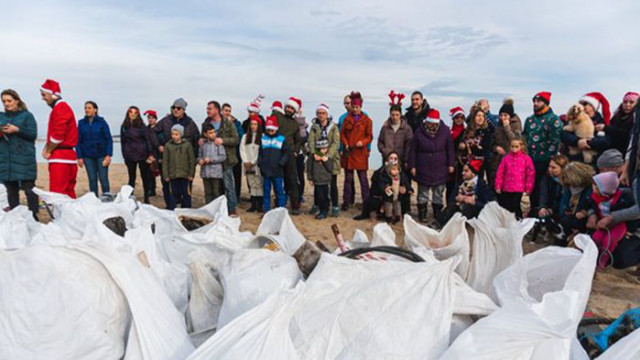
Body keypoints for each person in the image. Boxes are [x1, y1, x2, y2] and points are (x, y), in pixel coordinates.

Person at [408, 109, 455, 222]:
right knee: (423, 192)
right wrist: (412, 166)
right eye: (430, 123)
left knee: (438, 193)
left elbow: (450, 149)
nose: (432, 125)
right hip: (423, 166)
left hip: (441, 167)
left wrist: (451, 164)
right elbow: (413, 150)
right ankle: (422, 214)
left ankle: (437, 214)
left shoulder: (445, 131)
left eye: (434, 123)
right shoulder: (419, 131)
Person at [0, 89, 39, 219]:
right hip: (7, 160)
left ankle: (34, 216)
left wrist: (17, 130)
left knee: (29, 190)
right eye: (4, 101)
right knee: (11, 191)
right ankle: (15, 218)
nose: (6, 103)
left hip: (24, 159)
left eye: (9, 101)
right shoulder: (1, 116)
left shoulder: (27, 116)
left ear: (17, 100)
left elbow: (32, 135)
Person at [154, 98, 200, 208]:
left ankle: (185, 209)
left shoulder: (190, 122)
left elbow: (197, 139)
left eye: (178, 108)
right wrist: (158, 146)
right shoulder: (166, 120)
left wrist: (194, 159)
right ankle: (170, 207)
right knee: (168, 187)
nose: (175, 110)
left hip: (184, 163)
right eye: (173, 107)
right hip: (169, 160)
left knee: (186, 189)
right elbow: (153, 132)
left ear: (183, 109)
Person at [585, 172, 634, 268]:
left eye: (594, 188)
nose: (592, 190)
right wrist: (592, 215)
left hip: (618, 224)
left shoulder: (622, 198)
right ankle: (592, 260)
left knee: (609, 240)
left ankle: (603, 262)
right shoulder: (594, 198)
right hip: (602, 224)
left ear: (604, 190)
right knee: (596, 238)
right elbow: (589, 206)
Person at [40, 79, 78, 198]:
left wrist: (48, 150)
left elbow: (57, 136)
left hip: (61, 158)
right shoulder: (63, 107)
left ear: (52, 94)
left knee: (58, 194)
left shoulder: (60, 108)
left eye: (44, 94)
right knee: (69, 192)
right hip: (69, 156)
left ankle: (60, 217)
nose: (43, 98)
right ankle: (70, 216)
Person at [523, 91, 562, 209]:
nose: (535, 103)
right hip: (530, 161)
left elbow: (555, 140)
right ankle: (533, 212)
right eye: (534, 101)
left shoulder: (553, 119)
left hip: (545, 161)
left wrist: (548, 159)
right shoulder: (529, 120)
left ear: (546, 103)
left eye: (538, 101)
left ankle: (544, 212)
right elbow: (524, 138)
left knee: (544, 189)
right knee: (531, 188)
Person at [201, 100, 239, 215]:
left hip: (226, 159)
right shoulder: (205, 123)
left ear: (216, 110)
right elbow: (203, 135)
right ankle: (215, 209)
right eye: (207, 108)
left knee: (228, 186)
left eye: (209, 109)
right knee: (215, 188)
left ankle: (231, 209)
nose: (207, 111)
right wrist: (201, 139)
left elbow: (236, 139)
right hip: (211, 162)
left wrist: (223, 140)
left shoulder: (227, 123)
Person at [340, 91, 373, 211]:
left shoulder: (367, 120)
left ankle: (366, 202)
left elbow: (369, 136)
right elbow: (342, 134)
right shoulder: (346, 119)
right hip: (349, 153)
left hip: (361, 153)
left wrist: (363, 143)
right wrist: (346, 143)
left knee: (363, 179)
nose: (355, 109)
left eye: (357, 107)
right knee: (348, 180)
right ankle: (346, 202)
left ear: (361, 106)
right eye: (353, 107)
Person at [437, 159, 495, 226]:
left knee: (467, 207)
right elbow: (451, 199)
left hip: (474, 213)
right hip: (459, 209)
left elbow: (490, 204)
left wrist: (474, 202)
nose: (463, 173)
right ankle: (439, 223)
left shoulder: (481, 185)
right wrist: (457, 198)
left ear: (473, 173)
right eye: (463, 171)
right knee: (452, 207)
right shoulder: (461, 183)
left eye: (466, 171)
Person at [308, 103, 340, 217]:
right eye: (319, 113)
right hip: (317, 158)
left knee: (332, 183)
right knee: (318, 185)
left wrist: (328, 155)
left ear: (327, 114)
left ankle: (335, 206)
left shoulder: (333, 127)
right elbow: (311, 142)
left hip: (331, 159)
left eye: (323, 113)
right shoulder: (314, 127)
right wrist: (315, 153)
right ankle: (317, 205)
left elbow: (336, 143)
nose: (321, 115)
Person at [561, 92, 612, 164]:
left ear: (593, 107)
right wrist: (577, 141)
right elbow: (564, 134)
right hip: (572, 159)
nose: (581, 106)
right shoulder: (574, 119)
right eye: (580, 103)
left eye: (584, 104)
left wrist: (588, 143)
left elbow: (606, 140)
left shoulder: (602, 122)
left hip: (593, 160)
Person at [76, 101, 113, 197]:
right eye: (85, 108)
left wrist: (108, 155)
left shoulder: (102, 122)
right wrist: (79, 157)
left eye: (89, 108)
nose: (87, 110)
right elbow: (78, 141)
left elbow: (108, 139)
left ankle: (107, 198)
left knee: (103, 178)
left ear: (95, 110)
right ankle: (94, 200)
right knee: (92, 179)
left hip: (102, 155)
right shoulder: (81, 123)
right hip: (88, 156)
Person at [353, 152, 403, 221]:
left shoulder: (401, 172)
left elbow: (404, 184)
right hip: (380, 196)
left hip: (394, 197)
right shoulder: (379, 172)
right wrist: (385, 188)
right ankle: (374, 213)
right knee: (375, 202)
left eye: (395, 159)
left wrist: (405, 188)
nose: (393, 160)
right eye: (391, 158)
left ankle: (395, 214)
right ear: (387, 160)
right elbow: (376, 188)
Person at [494, 137, 535, 219]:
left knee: (516, 205)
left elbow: (530, 173)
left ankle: (519, 221)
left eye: (516, 147)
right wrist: (498, 185)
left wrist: (528, 187)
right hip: (506, 187)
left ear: (522, 146)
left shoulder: (526, 158)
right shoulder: (506, 158)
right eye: (512, 146)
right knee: (507, 206)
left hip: (519, 187)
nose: (514, 149)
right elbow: (500, 172)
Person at [121, 106, 154, 204]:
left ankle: (146, 197)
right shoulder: (124, 126)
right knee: (132, 177)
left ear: (138, 114)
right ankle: (130, 197)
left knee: (145, 177)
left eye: (135, 113)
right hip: (129, 155)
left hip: (142, 154)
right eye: (131, 112)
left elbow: (148, 140)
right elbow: (123, 141)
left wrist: (150, 154)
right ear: (128, 113)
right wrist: (124, 155)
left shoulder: (142, 126)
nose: (133, 114)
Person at [488, 98, 522, 189]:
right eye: (501, 115)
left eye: (505, 115)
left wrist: (507, 127)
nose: (503, 118)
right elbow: (492, 143)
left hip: (512, 161)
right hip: (497, 161)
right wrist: (496, 148)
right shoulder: (498, 126)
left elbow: (516, 141)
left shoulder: (516, 124)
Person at [557, 162, 595, 242]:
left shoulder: (590, 190)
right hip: (567, 218)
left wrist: (584, 213)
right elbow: (562, 204)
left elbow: (592, 205)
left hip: (582, 220)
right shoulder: (567, 189)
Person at [259, 115, 288, 212]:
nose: (270, 132)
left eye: (272, 130)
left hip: (277, 170)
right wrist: (260, 163)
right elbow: (260, 153)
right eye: (269, 130)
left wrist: (281, 163)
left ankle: (281, 211)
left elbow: (286, 153)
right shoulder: (263, 139)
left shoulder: (281, 139)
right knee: (266, 192)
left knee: (279, 191)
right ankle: (266, 211)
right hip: (266, 170)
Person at [163, 124, 195, 209]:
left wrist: (191, 174)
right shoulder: (168, 145)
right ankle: (173, 210)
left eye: (176, 134)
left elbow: (191, 160)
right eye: (173, 134)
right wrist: (166, 175)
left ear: (181, 134)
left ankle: (187, 211)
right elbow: (165, 161)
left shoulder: (187, 145)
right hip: (173, 175)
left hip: (185, 175)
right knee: (173, 194)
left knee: (186, 194)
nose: (174, 136)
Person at [280, 97, 304, 214]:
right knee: (279, 179)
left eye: (291, 108)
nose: (289, 109)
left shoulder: (296, 123)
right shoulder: (278, 118)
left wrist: (295, 151)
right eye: (288, 107)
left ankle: (295, 205)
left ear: (294, 110)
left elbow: (299, 140)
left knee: (292, 180)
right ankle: (280, 202)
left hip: (290, 153)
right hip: (277, 152)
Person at [377, 98, 414, 168]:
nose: (395, 117)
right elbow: (380, 141)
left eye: (397, 115)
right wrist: (384, 151)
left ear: (400, 114)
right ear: (390, 115)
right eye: (393, 115)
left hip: (401, 160)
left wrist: (406, 159)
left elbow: (409, 145)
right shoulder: (385, 128)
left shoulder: (407, 128)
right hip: (387, 159)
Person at [459, 108, 493, 179]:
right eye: (478, 116)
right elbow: (459, 142)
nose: (480, 118)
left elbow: (486, 147)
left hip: (480, 163)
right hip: (466, 162)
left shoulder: (486, 132)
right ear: (474, 117)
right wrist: (462, 144)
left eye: (482, 116)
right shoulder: (467, 131)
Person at [240, 114, 263, 212]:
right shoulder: (245, 137)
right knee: (251, 184)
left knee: (259, 184)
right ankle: (253, 205)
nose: (253, 126)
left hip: (257, 164)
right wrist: (245, 161)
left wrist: (253, 161)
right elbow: (242, 149)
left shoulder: (262, 137)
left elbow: (260, 151)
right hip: (247, 164)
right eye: (252, 124)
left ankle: (260, 205)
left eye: (255, 124)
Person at [198, 124, 226, 204]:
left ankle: (217, 209)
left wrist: (211, 160)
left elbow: (223, 157)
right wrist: (200, 161)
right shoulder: (202, 145)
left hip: (216, 173)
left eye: (214, 132)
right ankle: (208, 208)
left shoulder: (218, 144)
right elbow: (199, 156)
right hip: (205, 173)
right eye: (210, 133)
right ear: (205, 134)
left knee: (216, 193)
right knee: (208, 193)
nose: (213, 134)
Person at [222, 103, 245, 201]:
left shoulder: (237, 123)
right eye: (226, 110)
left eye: (229, 111)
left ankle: (237, 196)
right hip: (222, 154)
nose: (227, 113)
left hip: (235, 154)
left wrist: (232, 125)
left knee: (236, 176)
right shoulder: (218, 122)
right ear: (221, 111)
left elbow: (241, 136)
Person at [537, 154, 569, 220]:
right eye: (549, 166)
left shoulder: (568, 182)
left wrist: (553, 210)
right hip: (548, 207)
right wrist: (542, 207)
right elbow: (543, 194)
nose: (550, 169)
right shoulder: (546, 178)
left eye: (553, 168)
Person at [307, 139, 333, 219]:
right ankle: (321, 210)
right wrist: (310, 178)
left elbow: (330, 168)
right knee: (319, 196)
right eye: (322, 149)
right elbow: (309, 168)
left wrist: (324, 160)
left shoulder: (328, 157)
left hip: (326, 180)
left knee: (326, 197)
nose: (323, 150)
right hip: (317, 180)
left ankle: (324, 211)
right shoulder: (312, 157)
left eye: (325, 148)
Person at [447, 107, 467, 201]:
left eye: (461, 117)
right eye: (457, 117)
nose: (459, 119)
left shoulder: (467, 131)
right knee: (450, 185)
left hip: (464, 161)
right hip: (452, 160)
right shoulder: (449, 131)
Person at [144, 110, 159, 196]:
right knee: (149, 174)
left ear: (155, 119)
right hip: (148, 154)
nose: (150, 120)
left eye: (152, 118)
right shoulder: (146, 129)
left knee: (159, 172)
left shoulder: (159, 128)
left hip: (157, 153)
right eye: (149, 118)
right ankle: (151, 190)